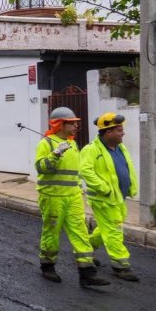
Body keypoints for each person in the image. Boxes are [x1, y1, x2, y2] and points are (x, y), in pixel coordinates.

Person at [34, 107, 108, 286]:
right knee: (51, 232)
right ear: (60, 124)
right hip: (52, 197)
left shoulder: (72, 143)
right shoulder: (47, 143)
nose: (76, 126)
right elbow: (40, 167)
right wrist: (55, 154)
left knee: (80, 232)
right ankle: (48, 266)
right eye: (72, 123)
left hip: (74, 196)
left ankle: (87, 272)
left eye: (76, 123)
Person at [80, 113, 140, 282]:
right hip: (103, 198)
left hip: (119, 196)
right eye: (119, 130)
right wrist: (103, 188)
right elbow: (85, 171)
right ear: (108, 132)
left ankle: (87, 248)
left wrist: (131, 187)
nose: (123, 133)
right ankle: (121, 265)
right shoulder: (91, 150)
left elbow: (126, 168)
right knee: (114, 230)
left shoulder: (121, 147)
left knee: (107, 227)